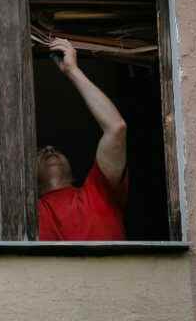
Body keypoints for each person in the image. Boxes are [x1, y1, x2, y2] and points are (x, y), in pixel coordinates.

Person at [38, 38, 128, 241]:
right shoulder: (22, 215)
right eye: (40, 150)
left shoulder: (98, 191)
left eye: (56, 149)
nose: (50, 149)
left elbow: (116, 128)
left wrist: (72, 71)